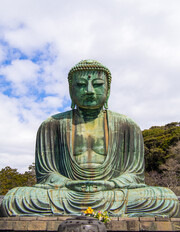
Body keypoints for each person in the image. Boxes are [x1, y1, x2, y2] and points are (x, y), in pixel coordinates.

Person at [0, 60, 179, 217]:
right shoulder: (52, 125)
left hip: (113, 194)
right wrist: (69, 183)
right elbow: (46, 174)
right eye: (80, 85)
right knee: (15, 199)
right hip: (67, 193)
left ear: (108, 89)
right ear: (71, 90)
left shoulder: (127, 125)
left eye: (98, 84)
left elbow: (135, 175)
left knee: (165, 199)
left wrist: (111, 184)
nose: (89, 90)